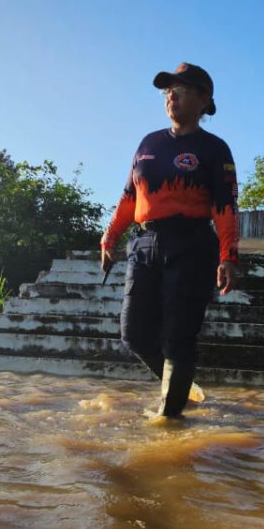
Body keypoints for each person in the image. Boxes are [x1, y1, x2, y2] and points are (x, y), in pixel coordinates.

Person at [100, 62, 240, 419]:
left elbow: (225, 206)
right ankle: (180, 386)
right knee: (133, 334)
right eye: (167, 92)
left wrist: (229, 255)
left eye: (180, 90)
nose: (171, 97)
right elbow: (129, 197)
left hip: (191, 245)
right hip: (144, 244)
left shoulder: (215, 149)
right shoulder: (149, 143)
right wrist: (110, 237)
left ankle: (168, 418)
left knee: (178, 336)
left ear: (204, 99)